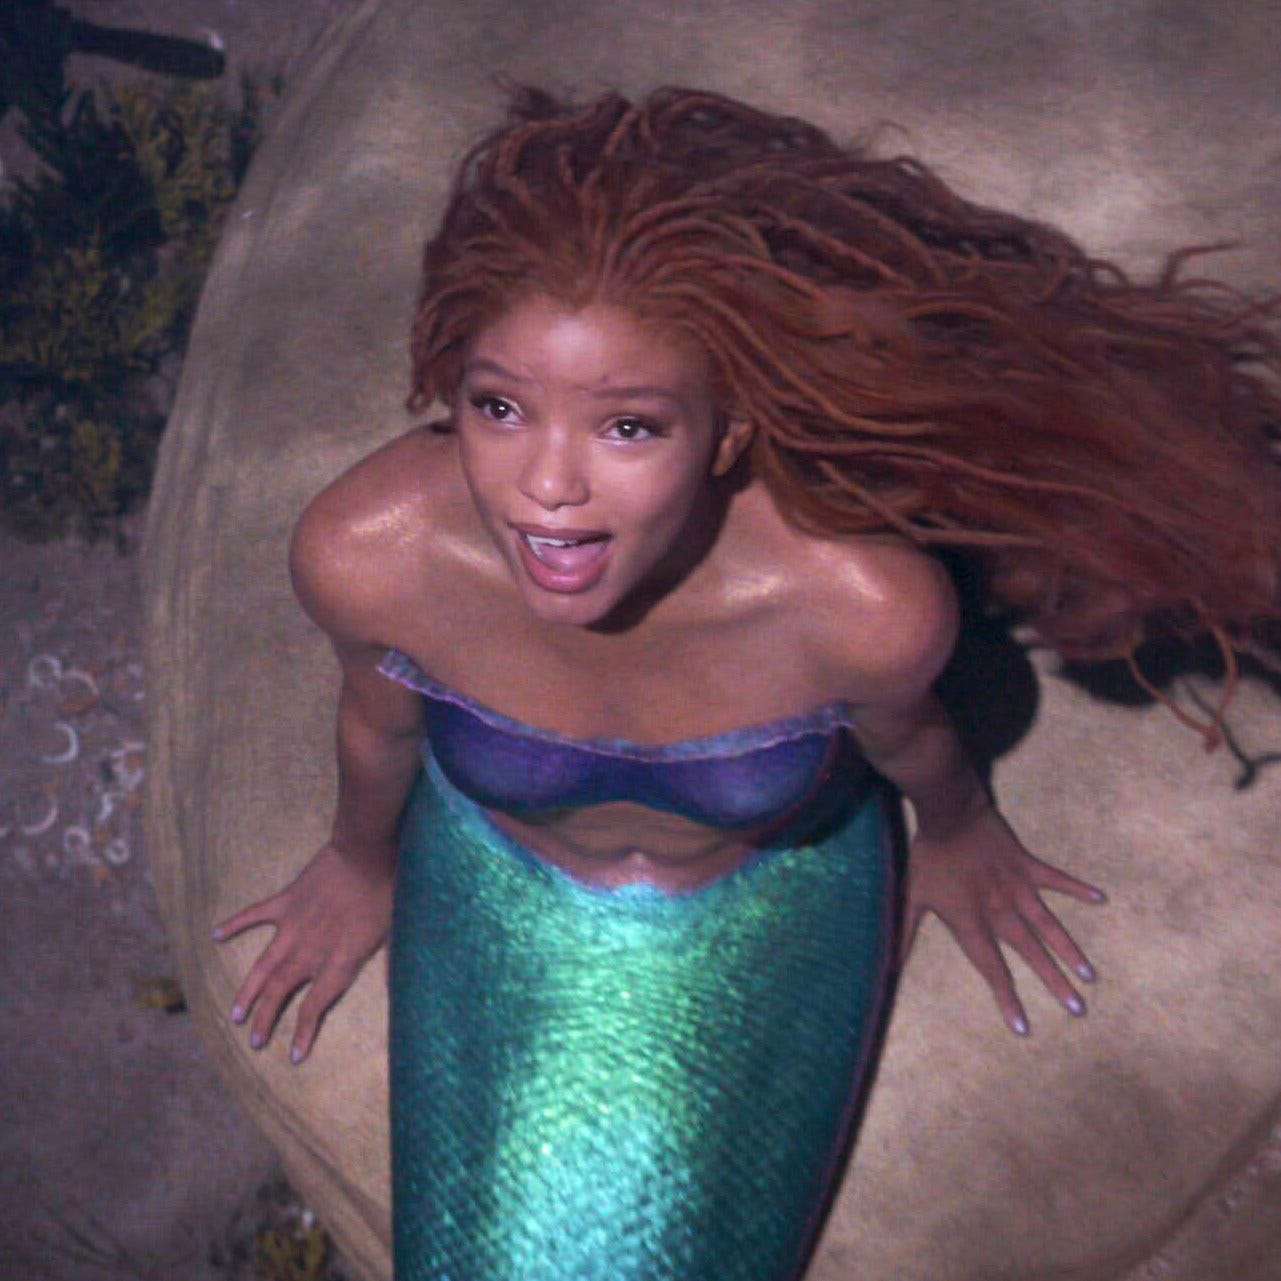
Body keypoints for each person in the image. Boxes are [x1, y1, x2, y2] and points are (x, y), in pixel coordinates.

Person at [213, 87, 1281, 1280]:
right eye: (499, 407)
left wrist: (960, 830)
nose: (547, 486)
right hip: (498, 886)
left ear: (725, 436)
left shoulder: (855, 607)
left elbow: (911, 740)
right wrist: (359, 862)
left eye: (628, 428)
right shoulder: (370, 553)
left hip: (767, 898)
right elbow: (378, 724)